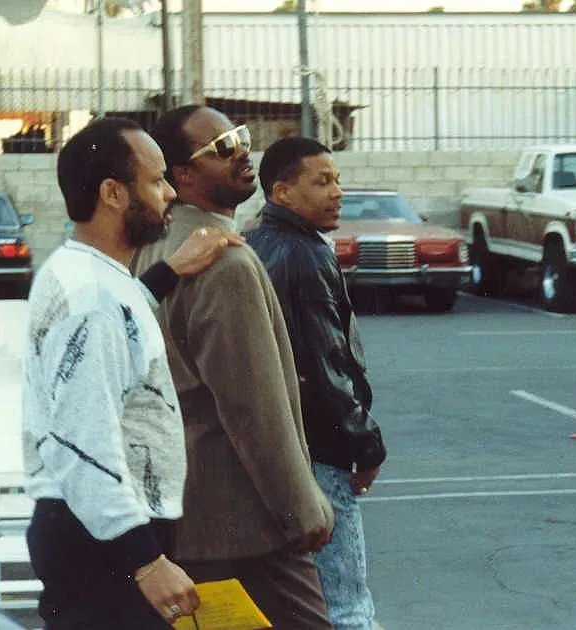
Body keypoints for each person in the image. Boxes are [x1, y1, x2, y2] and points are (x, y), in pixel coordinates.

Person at [23, 116, 243, 628]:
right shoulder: (91, 300)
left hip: (100, 531)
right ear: (113, 194)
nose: (169, 192)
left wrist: (167, 273)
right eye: (156, 180)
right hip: (103, 542)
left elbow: (117, 335)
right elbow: (82, 439)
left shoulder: (90, 276)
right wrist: (144, 562)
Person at [132, 105, 335, 628]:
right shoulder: (225, 262)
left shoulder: (158, 247)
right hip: (248, 525)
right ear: (183, 175)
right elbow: (254, 410)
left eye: (240, 137)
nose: (243, 152)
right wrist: (302, 510)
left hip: (186, 516)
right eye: (221, 148)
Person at [245, 137, 387, 630]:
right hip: (322, 453)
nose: (337, 192)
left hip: (279, 450)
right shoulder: (305, 255)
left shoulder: (255, 242)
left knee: (299, 597)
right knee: (346, 603)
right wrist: (365, 446)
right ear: (283, 192)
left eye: (338, 180)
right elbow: (326, 366)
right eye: (322, 181)